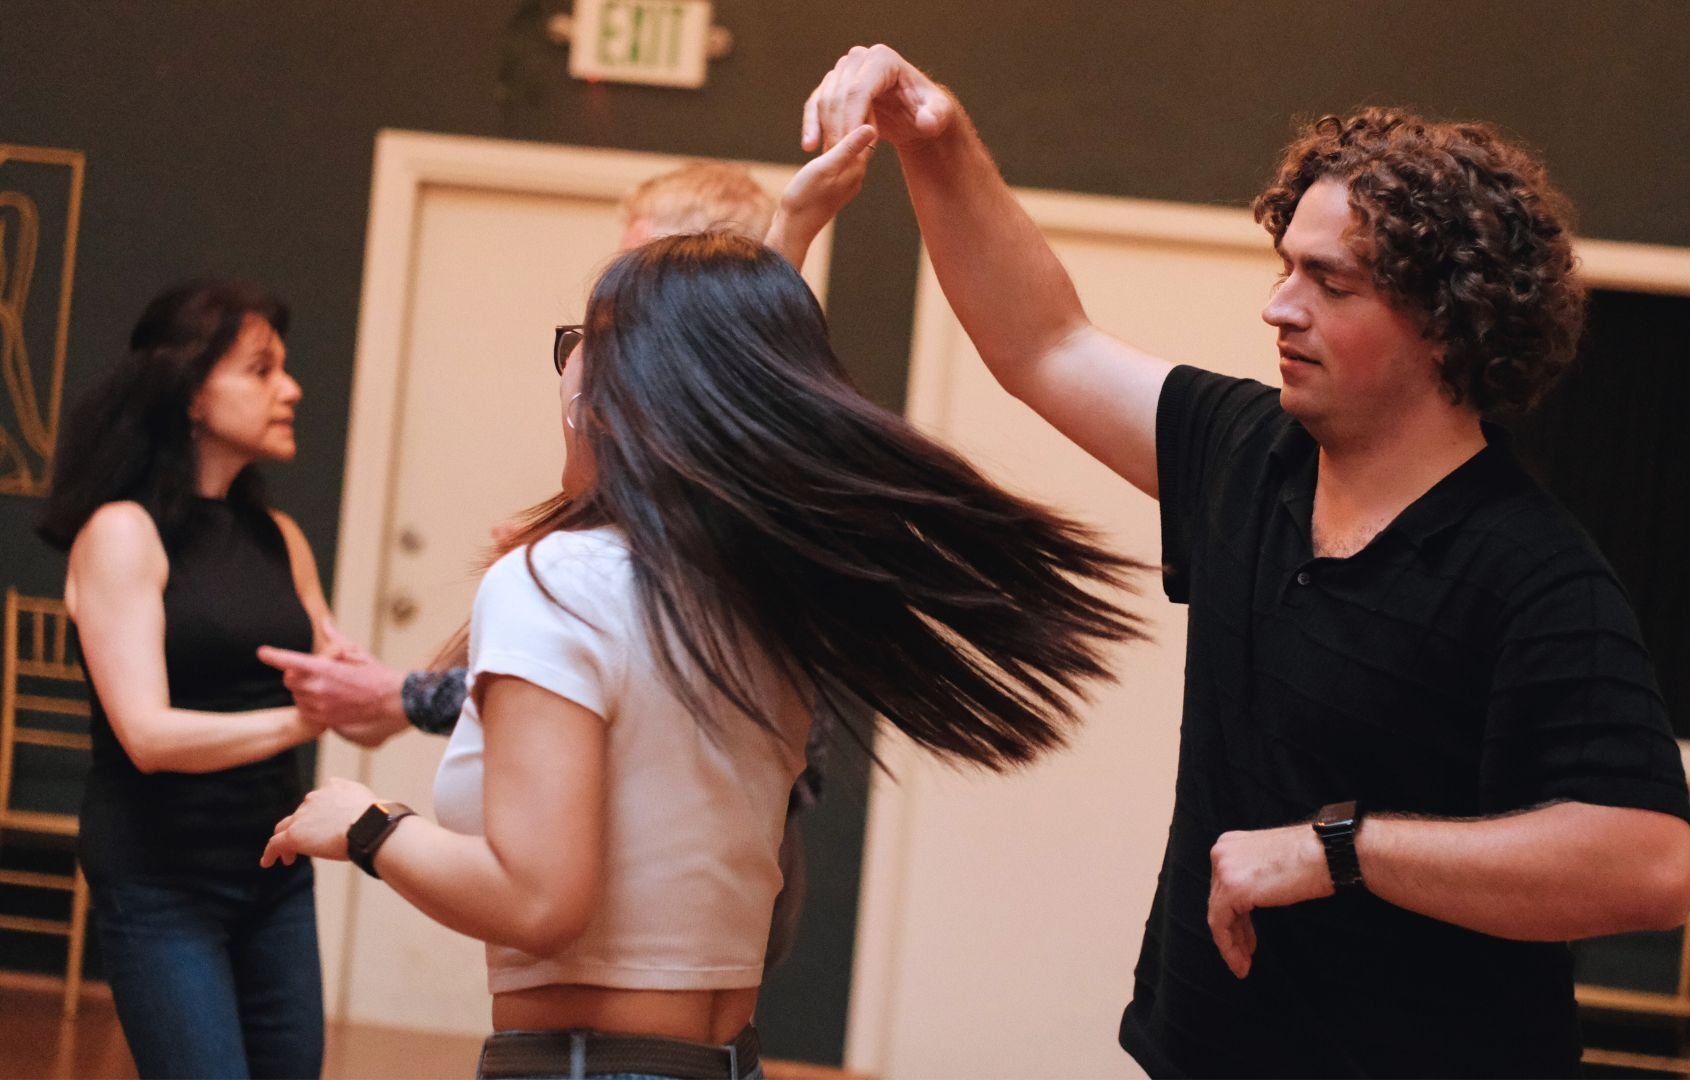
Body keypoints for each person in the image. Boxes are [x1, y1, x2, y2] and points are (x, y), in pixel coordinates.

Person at [801, 46, 1690, 1078]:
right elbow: (1041, 342)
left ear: (1446, 326)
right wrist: (937, 140)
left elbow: (1648, 867)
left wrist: (1338, 851)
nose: (1280, 306)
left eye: (1330, 282)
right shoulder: (1246, 454)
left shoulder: (1533, 573)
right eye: (1287, 267)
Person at [259, 148, 1144, 1080]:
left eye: (587, 338)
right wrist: (788, 235)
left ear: (616, 386)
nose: (570, 363)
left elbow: (538, 903)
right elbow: (737, 386)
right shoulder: (766, 578)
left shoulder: (554, 580)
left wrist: (367, 825)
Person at [256, 150, 862, 967]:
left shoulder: (692, 537)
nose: (600, 347)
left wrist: (369, 822)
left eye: (622, 315)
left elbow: (541, 893)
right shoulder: (681, 527)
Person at [37, 281, 332, 1077]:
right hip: (161, 881)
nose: (291, 389)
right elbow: (147, 736)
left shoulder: (279, 537)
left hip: (276, 873)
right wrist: (304, 719)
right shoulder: (122, 533)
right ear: (192, 392)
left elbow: (357, 698)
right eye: (262, 370)